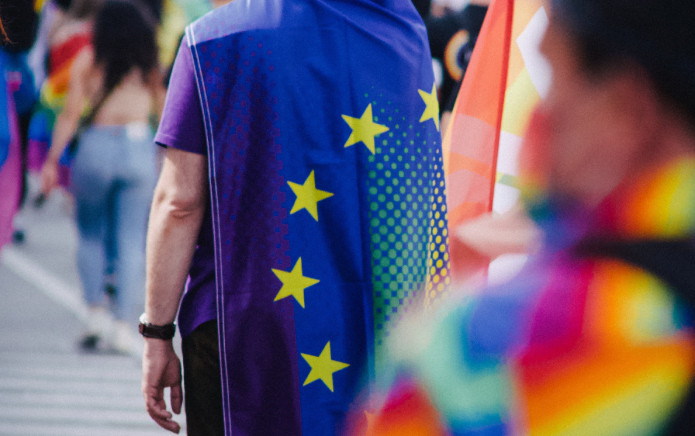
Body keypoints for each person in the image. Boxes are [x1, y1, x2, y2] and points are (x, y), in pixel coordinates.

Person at [357, 0, 695, 434]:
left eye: (552, 79)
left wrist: (447, 294)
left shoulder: (493, 343)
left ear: (628, 110)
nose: (537, 117)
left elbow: (401, 411)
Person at [141, 0, 449, 434]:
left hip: (240, 322)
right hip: (374, 327)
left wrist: (156, 332)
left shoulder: (210, 41)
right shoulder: (401, 33)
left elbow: (179, 202)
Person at [40, 0, 164, 354]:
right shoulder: (149, 64)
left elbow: (70, 114)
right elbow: (166, 112)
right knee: (131, 239)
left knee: (90, 233)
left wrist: (52, 160)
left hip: (95, 145)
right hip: (138, 148)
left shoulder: (89, 59)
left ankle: (94, 313)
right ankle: (124, 324)